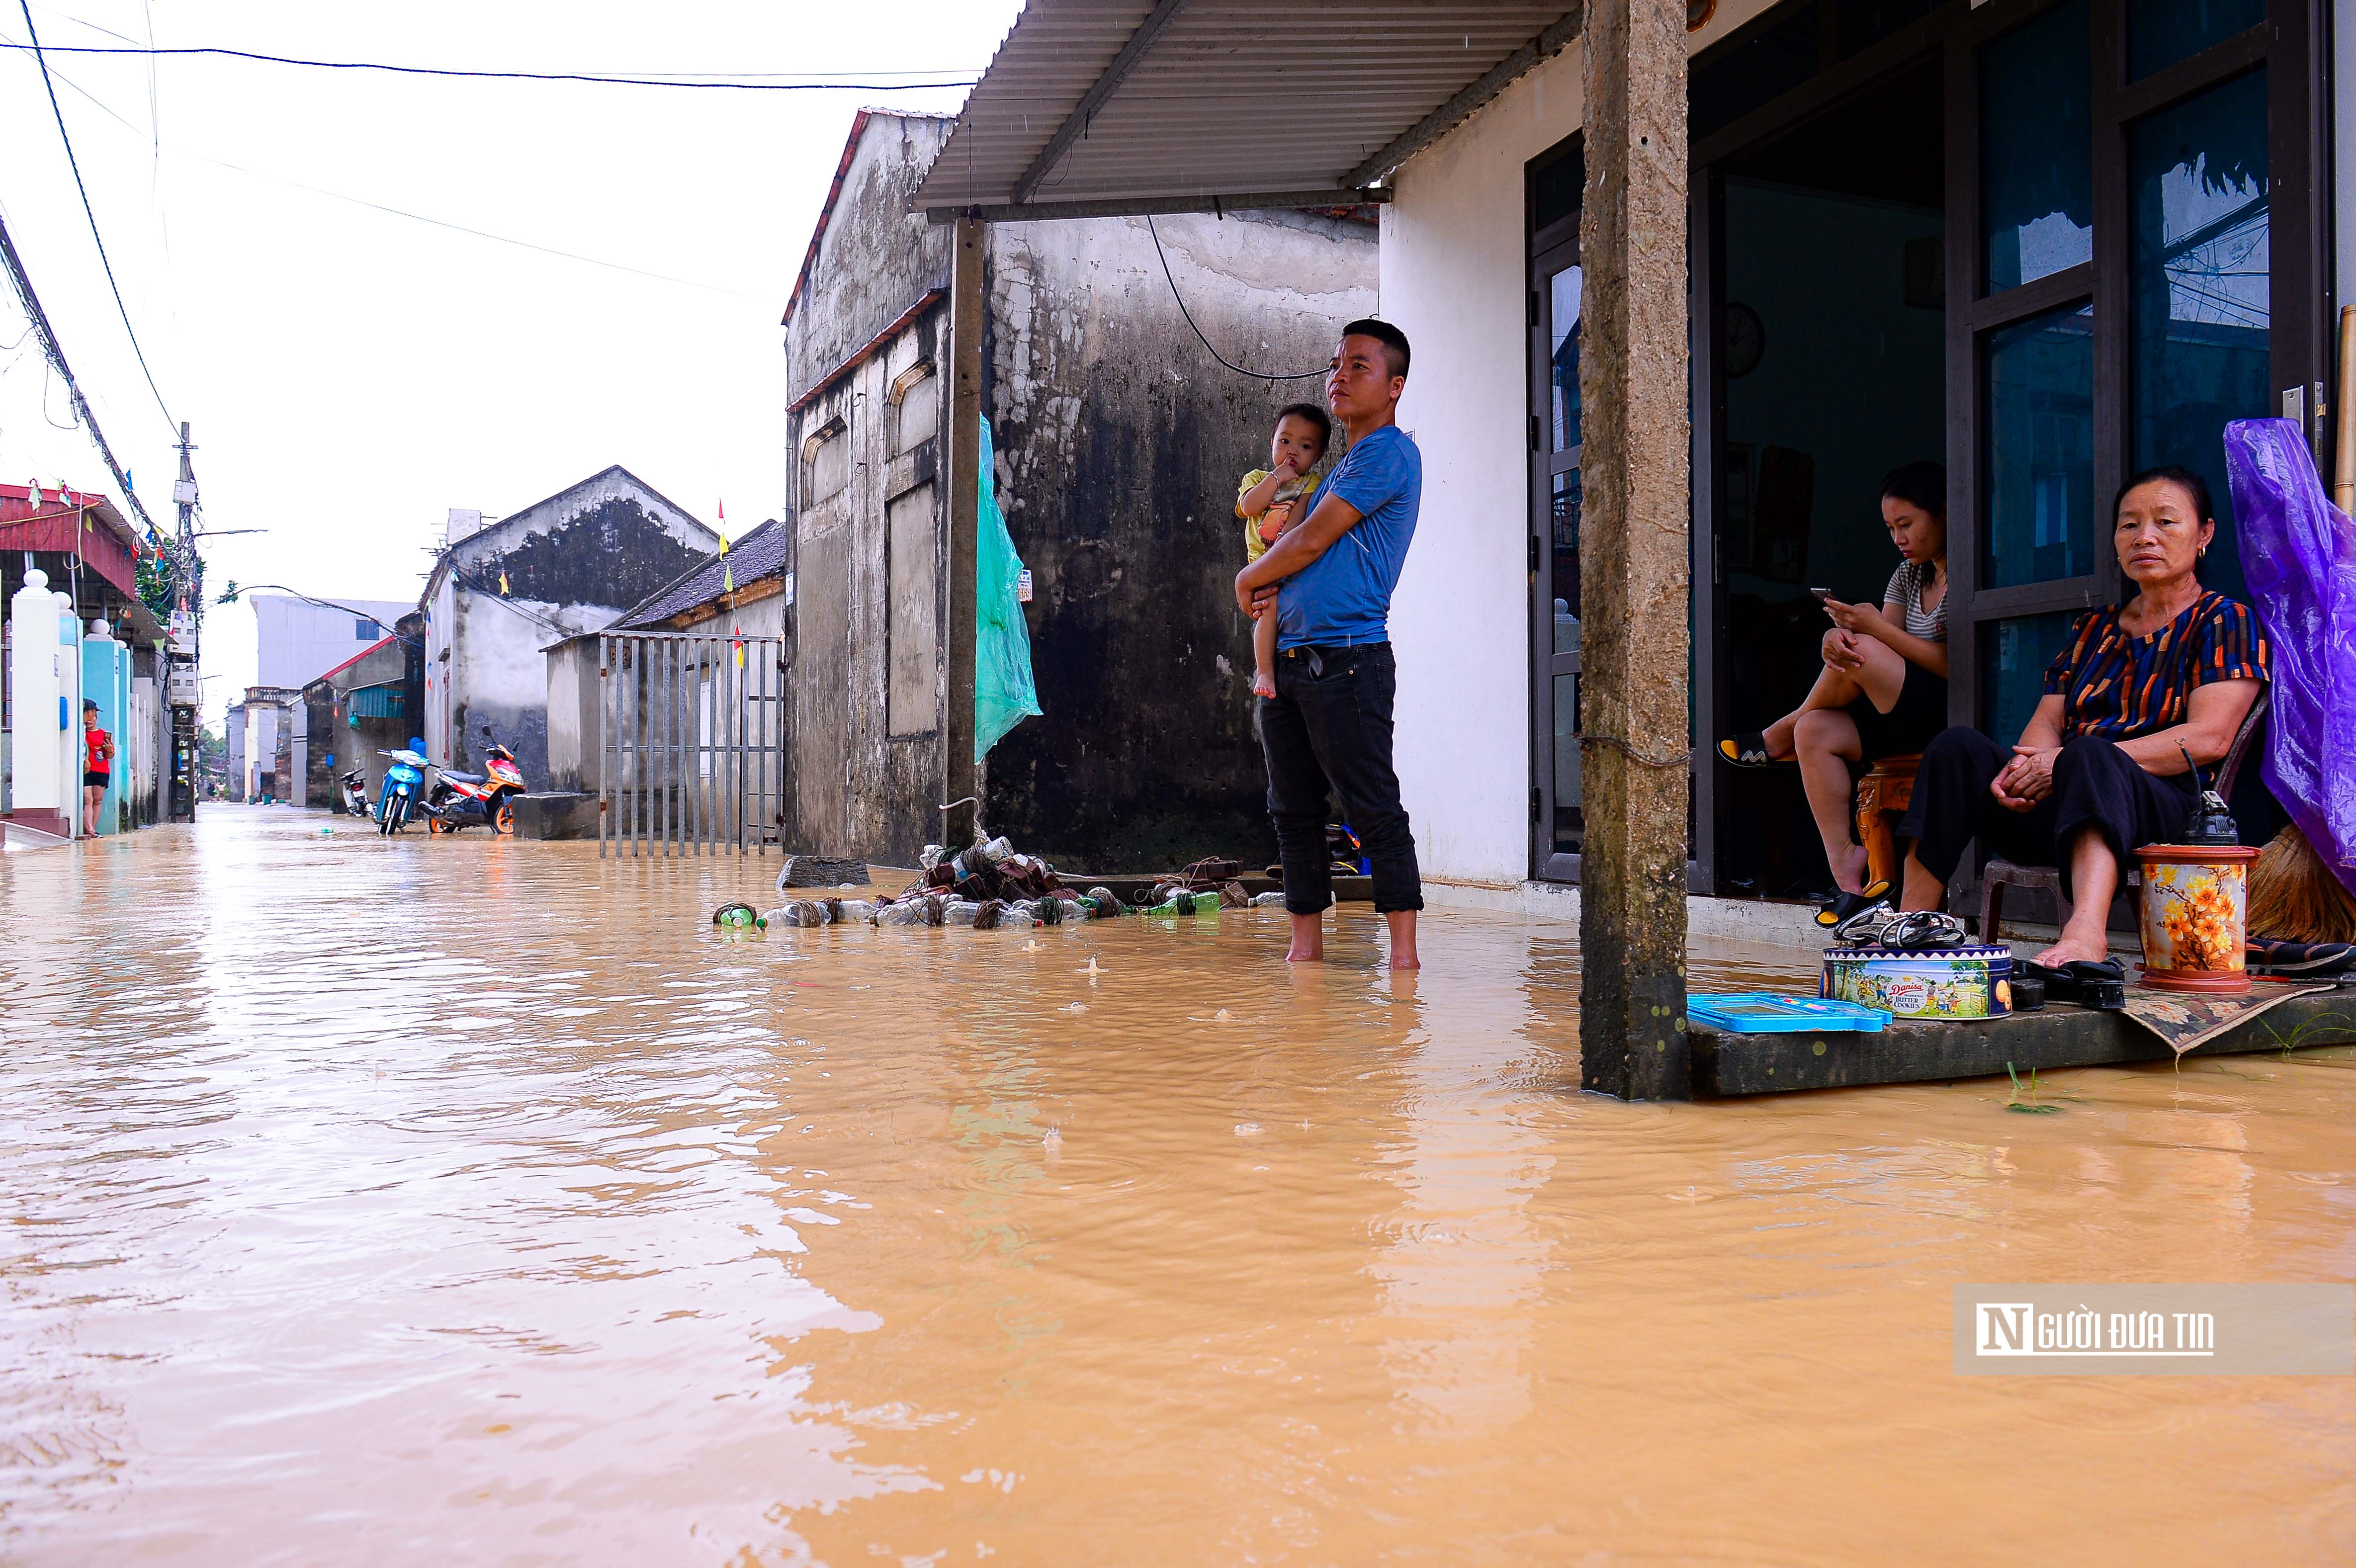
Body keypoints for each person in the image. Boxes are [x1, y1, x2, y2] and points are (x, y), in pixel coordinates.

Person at [1897, 466, 2268, 967]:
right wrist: (2029, 766)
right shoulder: (2092, 627)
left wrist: (2071, 761)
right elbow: (2047, 720)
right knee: (1955, 748)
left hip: (2162, 810)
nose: (2145, 537)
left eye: (2165, 522)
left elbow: (2209, 738)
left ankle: (2085, 932)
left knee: (2090, 755)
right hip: (2064, 798)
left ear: (2203, 534)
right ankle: (1907, 925)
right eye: (2129, 524)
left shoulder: (2224, 620)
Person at [1234, 319, 1423, 969]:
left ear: (1394, 386)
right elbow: (1285, 534)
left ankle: (1404, 963)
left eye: (1359, 367)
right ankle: (1303, 953)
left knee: (1371, 806)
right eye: (1335, 364)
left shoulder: (1386, 455)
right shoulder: (1337, 466)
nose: (1339, 377)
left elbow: (1309, 543)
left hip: (1347, 659)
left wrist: (1247, 576)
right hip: (1290, 660)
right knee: (1291, 811)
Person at [1717, 462, 1950, 894]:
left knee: (1860, 647)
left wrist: (1871, 630)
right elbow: (1888, 642)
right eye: (1890, 528)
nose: (1898, 538)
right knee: (1814, 729)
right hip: (1895, 709)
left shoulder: (1969, 575)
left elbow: (1954, 664)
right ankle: (1845, 869)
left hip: (1946, 712)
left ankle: (1777, 731)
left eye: (1906, 524)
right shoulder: (1907, 575)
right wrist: (1835, 636)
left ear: (1943, 513)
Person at [1236, 402, 1334, 699]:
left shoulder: (1313, 483)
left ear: (1317, 456)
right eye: (1285, 441)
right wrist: (1277, 478)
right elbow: (1249, 507)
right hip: (1260, 565)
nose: (1292, 451)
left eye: (1305, 446)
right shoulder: (1256, 478)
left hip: (1288, 560)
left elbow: (1297, 523)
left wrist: (1282, 553)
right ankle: (1264, 670)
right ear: (1272, 441)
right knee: (1267, 612)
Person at [81, 698, 113, 839]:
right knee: (88, 799)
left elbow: (110, 755)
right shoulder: (81, 733)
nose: (89, 719)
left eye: (92, 715)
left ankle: (92, 829)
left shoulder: (104, 734)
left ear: (96, 718)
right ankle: (88, 829)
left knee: (98, 800)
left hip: (101, 771)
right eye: (87, 714)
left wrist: (109, 750)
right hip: (86, 770)